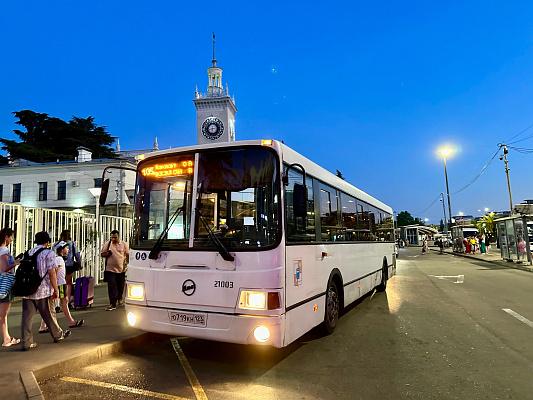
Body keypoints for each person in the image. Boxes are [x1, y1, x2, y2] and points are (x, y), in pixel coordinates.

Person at [21, 231, 71, 350]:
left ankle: (26, 343)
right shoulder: (49, 253)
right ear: (47, 242)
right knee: (48, 314)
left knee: (27, 318)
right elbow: (52, 273)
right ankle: (57, 335)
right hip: (42, 290)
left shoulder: (28, 252)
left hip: (28, 290)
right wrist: (55, 289)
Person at [39, 241, 84, 333]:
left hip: (59, 284)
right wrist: (54, 287)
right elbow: (54, 272)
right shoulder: (58, 259)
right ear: (62, 250)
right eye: (66, 248)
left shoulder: (58, 259)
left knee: (62, 302)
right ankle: (46, 326)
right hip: (59, 285)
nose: (68, 250)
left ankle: (69, 321)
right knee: (57, 304)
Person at [0, 228, 21, 347]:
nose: (12, 239)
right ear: (6, 237)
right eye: (11, 237)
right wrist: (15, 262)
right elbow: (4, 268)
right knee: (3, 314)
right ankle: (6, 339)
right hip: (5, 285)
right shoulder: (4, 251)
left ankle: (7, 337)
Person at [101, 230, 129, 311]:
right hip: (110, 270)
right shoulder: (108, 244)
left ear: (118, 237)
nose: (113, 239)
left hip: (121, 270)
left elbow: (127, 255)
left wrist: (127, 264)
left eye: (115, 237)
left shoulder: (124, 244)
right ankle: (112, 303)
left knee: (120, 286)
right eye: (112, 237)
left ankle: (119, 299)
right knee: (112, 286)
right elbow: (102, 254)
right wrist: (107, 253)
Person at [54, 230, 81, 309]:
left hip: (58, 265)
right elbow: (77, 254)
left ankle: (57, 303)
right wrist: (79, 263)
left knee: (58, 283)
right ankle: (67, 301)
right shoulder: (71, 243)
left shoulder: (56, 244)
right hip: (69, 266)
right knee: (68, 283)